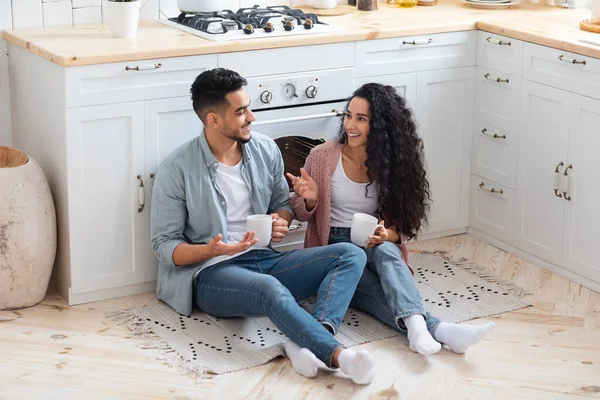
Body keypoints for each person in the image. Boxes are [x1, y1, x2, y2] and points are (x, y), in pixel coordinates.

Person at [150, 68, 376, 384]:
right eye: (241, 112)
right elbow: (164, 246)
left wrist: (279, 222)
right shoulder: (176, 169)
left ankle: (306, 340)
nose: (252, 117)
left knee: (350, 255)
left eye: (249, 107)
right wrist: (210, 250)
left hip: (265, 258)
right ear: (214, 120)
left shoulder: (264, 149)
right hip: (212, 273)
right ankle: (341, 356)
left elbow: (281, 208)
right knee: (270, 289)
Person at [287, 82, 495, 360]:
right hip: (333, 245)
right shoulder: (322, 156)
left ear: (382, 125)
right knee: (370, 287)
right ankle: (436, 329)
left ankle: (419, 327)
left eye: (361, 119)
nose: (350, 124)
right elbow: (302, 214)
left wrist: (387, 236)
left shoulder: (391, 164)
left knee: (386, 251)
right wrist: (310, 199)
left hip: (372, 238)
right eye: (348, 115)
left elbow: (402, 229)